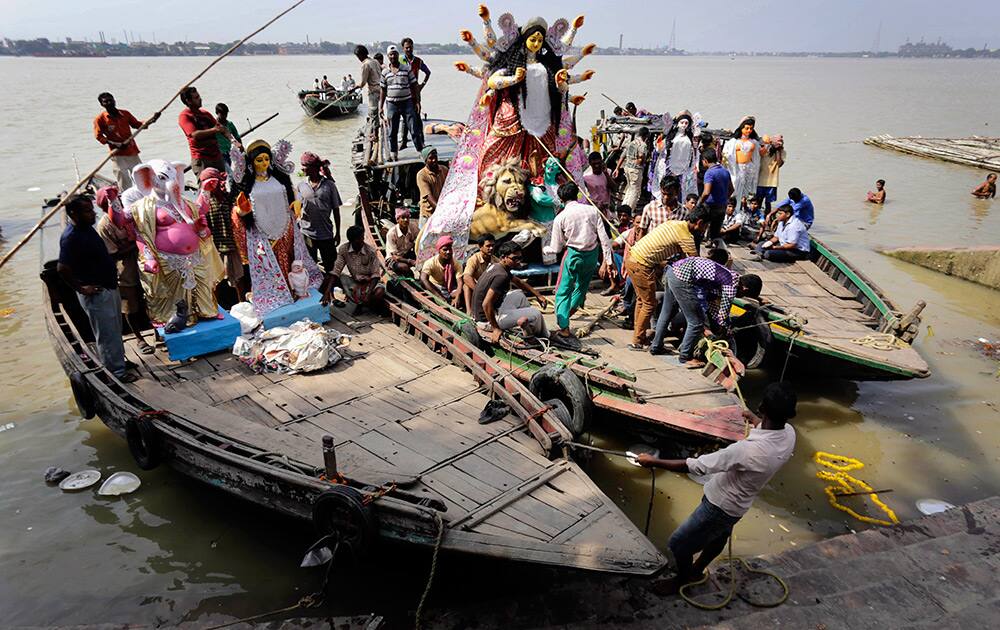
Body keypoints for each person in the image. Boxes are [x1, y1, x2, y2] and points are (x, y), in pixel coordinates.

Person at [637, 382, 797, 588]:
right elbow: (772, 429)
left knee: (678, 544)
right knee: (719, 537)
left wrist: (654, 461)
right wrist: (755, 420)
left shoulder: (746, 451)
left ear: (763, 408)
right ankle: (696, 570)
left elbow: (697, 466)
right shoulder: (790, 434)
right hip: (739, 507)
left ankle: (681, 580)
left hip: (718, 506)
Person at [232, 139, 323, 314]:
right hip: (261, 231)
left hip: (285, 226)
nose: (264, 163)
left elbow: (291, 194)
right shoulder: (248, 184)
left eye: (266, 159)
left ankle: (294, 290)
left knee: (290, 262)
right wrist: (241, 211)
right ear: (251, 162)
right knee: (269, 265)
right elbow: (238, 209)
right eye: (259, 160)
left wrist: (296, 204)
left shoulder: (279, 178)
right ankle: (276, 294)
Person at [58, 195, 136, 382]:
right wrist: (82, 289)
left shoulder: (87, 230)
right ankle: (116, 373)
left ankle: (119, 362)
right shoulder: (71, 237)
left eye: (91, 209)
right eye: (87, 210)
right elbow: (62, 269)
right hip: (96, 292)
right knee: (106, 333)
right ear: (73, 214)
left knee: (115, 328)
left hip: (108, 286)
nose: (92, 213)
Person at [650, 249, 762, 366]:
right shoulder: (731, 283)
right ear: (745, 289)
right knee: (696, 322)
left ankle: (656, 347)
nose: (739, 296)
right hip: (683, 278)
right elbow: (723, 313)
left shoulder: (725, 276)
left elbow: (712, 303)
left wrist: (716, 321)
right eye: (743, 295)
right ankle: (685, 357)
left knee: (667, 313)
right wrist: (724, 328)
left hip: (672, 272)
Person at [624, 207, 706, 349]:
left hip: (632, 258)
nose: (704, 230)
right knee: (649, 304)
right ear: (699, 222)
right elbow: (696, 262)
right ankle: (637, 340)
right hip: (641, 264)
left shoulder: (674, 223)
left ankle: (639, 336)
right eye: (705, 226)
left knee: (642, 301)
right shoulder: (686, 237)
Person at [543, 182, 615, 339]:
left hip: (574, 255)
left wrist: (544, 249)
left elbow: (556, 247)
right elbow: (604, 239)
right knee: (581, 288)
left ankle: (564, 327)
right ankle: (568, 312)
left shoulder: (560, 217)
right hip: (592, 256)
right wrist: (608, 262)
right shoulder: (592, 211)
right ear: (576, 194)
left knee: (563, 291)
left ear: (561, 199)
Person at [94, 186, 153, 355]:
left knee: (151, 300)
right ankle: (139, 338)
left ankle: (158, 332)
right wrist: (135, 243)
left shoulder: (130, 214)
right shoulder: (104, 225)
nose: (118, 202)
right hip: (125, 270)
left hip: (145, 264)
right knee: (130, 306)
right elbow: (112, 253)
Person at [472, 241, 549, 342]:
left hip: (491, 312)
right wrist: (496, 329)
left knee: (519, 294)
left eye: (520, 258)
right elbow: (486, 304)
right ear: (503, 257)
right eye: (514, 258)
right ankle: (543, 336)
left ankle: (527, 328)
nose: (518, 261)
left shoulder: (497, 266)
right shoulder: (501, 276)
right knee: (536, 313)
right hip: (487, 321)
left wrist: (537, 295)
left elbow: (518, 281)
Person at [195, 168, 245, 300]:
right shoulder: (203, 203)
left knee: (237, 279)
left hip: (232, 246)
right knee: (217, 281)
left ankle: (241, 303)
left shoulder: (227, 198)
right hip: (215, 249)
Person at [93, 92, 160, 190]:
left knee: (142, 177)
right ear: (102, 104)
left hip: (132, 151)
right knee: (124, 182)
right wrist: (115, 144)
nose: (109, 103)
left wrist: (152, 120)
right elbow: (99, 136)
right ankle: (127, 200)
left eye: (110, 100)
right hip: (117, 155)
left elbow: (137, 125)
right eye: (105, 102)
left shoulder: (124, 114)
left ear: (114, 100)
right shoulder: (100, 119)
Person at [297, 152, 343, 274]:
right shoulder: (301, 186)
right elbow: (296, 209)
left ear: (314, 168)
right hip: (306, 233)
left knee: (330, 266)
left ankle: (330, 291)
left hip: (325, 233)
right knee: (309, 266)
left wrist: (338, 233)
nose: (302, 168)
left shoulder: (329, 185)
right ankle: (313, 291)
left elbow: (336, 210)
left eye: (304, 166)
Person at [322, 225, 385, 311]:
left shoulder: (371, 251)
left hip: (369, 282)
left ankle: (364, 304)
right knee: (329, 277)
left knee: (379, 292)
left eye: (362, 237)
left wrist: (368, 293)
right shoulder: (344, 249)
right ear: (352, 240)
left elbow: (376, 274)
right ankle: (333, 298)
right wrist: (327, 292)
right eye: (359, 239)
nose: (362, 240)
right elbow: (336, 270)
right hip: (354, 281)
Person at [379, 44, 423, 161]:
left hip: (407, 102)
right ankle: (394, 153)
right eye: (390, 55)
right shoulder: (384, 72)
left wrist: (417, 101)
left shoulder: (406, 69)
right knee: (392, 130)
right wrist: (381, 107)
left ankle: (420, 150)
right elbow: (383, 90)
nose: (393, 56)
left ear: (398, 56)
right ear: (388, 56)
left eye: (395, 54)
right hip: (392, 104)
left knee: (413, 127)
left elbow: (414, 85)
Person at [178, 87, 227, 177]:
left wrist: (233, 141)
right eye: (196, 98)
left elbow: (222, 129)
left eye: (199, 96)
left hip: (217, 156)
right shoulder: (185, 116)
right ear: (188, 101)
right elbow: (195, 135)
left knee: (222, 186)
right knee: (206, 187)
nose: (200, 99)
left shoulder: (205, 114)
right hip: (202, 159)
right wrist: (214, 130)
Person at [722, 115, 761, 209]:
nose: (749, 130)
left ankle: (744, 209)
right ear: (741, 128)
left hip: (749, 168)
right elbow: (726, 154)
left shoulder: (754, 142)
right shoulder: (733, 142)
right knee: (735, 188)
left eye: (751, 128)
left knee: (747, 191)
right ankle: (733, 208)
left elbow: (757, 155)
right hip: (737, 168)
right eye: (747, 128)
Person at [399, 37, 430, 150]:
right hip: (403, 94)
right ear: (403, 49)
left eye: (410, 47)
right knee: (404, 119)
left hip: (415, 93)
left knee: (417, 118)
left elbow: (428, 72)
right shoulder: (400, 60)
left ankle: (421, 141)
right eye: (406, 48)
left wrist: (422, 85)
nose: (409, 49)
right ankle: (403, 142)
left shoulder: (418, 61)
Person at [696, 148, 733, 240]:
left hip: (709, 206)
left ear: (705, 160)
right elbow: (732, 189)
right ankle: (716, 250)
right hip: (722, 206)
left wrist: (699, 203)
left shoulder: (709, 173)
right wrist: (724, 198)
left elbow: (706, 192)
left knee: (699, 229)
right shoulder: (725, 171)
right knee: (715, 234)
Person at [421, 235, 464, 306]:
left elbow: (460, 282)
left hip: (450, 287)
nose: (448, 252)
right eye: (445, 250)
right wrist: (439, 297)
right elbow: (423, 279)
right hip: (436, 287)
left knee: (463, 290)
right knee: (423, 284)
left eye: (450, 249)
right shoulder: (430, 262)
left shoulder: (456, 263)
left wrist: (457, 297)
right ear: (439, 251)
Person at [635, 176, 681, 242]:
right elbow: (642, 232)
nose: (666, 197)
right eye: (663, 193)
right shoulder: (650, 208)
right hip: (651, 250)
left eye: (669, 195)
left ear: (677, 192)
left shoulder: (683, 212)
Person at [615, 127, 650, 211]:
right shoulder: (643, 145)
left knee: (629, 190)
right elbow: (641, 158)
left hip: (627, 168)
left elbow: (623, 156)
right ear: (646, 136)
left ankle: (623, 208)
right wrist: (644, 161)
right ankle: (629, 210)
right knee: (635, 192)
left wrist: (617, 168)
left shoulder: (631, 143)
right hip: (636, 170)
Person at [416, 147, 449, 228]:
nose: (434, 160)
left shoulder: (444, 170)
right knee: (425, 239)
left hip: (443, 210)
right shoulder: (422, 175)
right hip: (429, 214)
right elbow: (428, 196)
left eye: (435, 157)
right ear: (425, 160)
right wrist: (440, 211)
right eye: (430, 158)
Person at [462, 236, 496, 315]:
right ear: (480, 247)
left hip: (488, 288)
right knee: (466, 285)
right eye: (488, 246)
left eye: (493, 245)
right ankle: (469, 311)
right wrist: (479, 291)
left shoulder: (495, 260)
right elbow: (466, 277)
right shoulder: (474, 259)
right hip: (476, 287)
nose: (491, 248)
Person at [385, 207, 420, 275]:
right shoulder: (392, 233)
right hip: (394, 259)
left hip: (406, 254)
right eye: (403, 218)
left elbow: (420, 238)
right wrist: (410, 261)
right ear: (397, 220)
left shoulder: (413, 227)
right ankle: (411, 278)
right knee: (404, 267)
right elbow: (395, 256)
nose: (406, 220)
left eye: (407, 217)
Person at [756, 134, 785, 214]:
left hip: (772, 181)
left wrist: (778, 151)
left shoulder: (782, 152)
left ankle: (767, 217)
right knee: (758, 200)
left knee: (768, 202)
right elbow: (759, 155)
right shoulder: (765, 149)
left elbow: (779, 164)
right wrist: (768, 147)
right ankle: (757, 216)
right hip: (760, 179)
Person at [583, 151, 616, 216]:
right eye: (594, 164)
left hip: (607, 208)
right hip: (593, 208)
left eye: (599, 163)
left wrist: (606, 174)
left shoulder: (608, 172)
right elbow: (584, 195)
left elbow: (614, 188)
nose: (597, 166)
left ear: (602, 161)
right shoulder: (586, 177)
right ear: (590, 163)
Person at [214, 103, 243, 172]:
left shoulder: (229, 124)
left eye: (226, 114)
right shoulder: (213, 126)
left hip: (228, 152)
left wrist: (240, 147)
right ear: (217, 113)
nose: (225, 116)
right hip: (219, 154)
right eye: (222, 114)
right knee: (228, 173)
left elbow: (237, 137)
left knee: (227, 171)